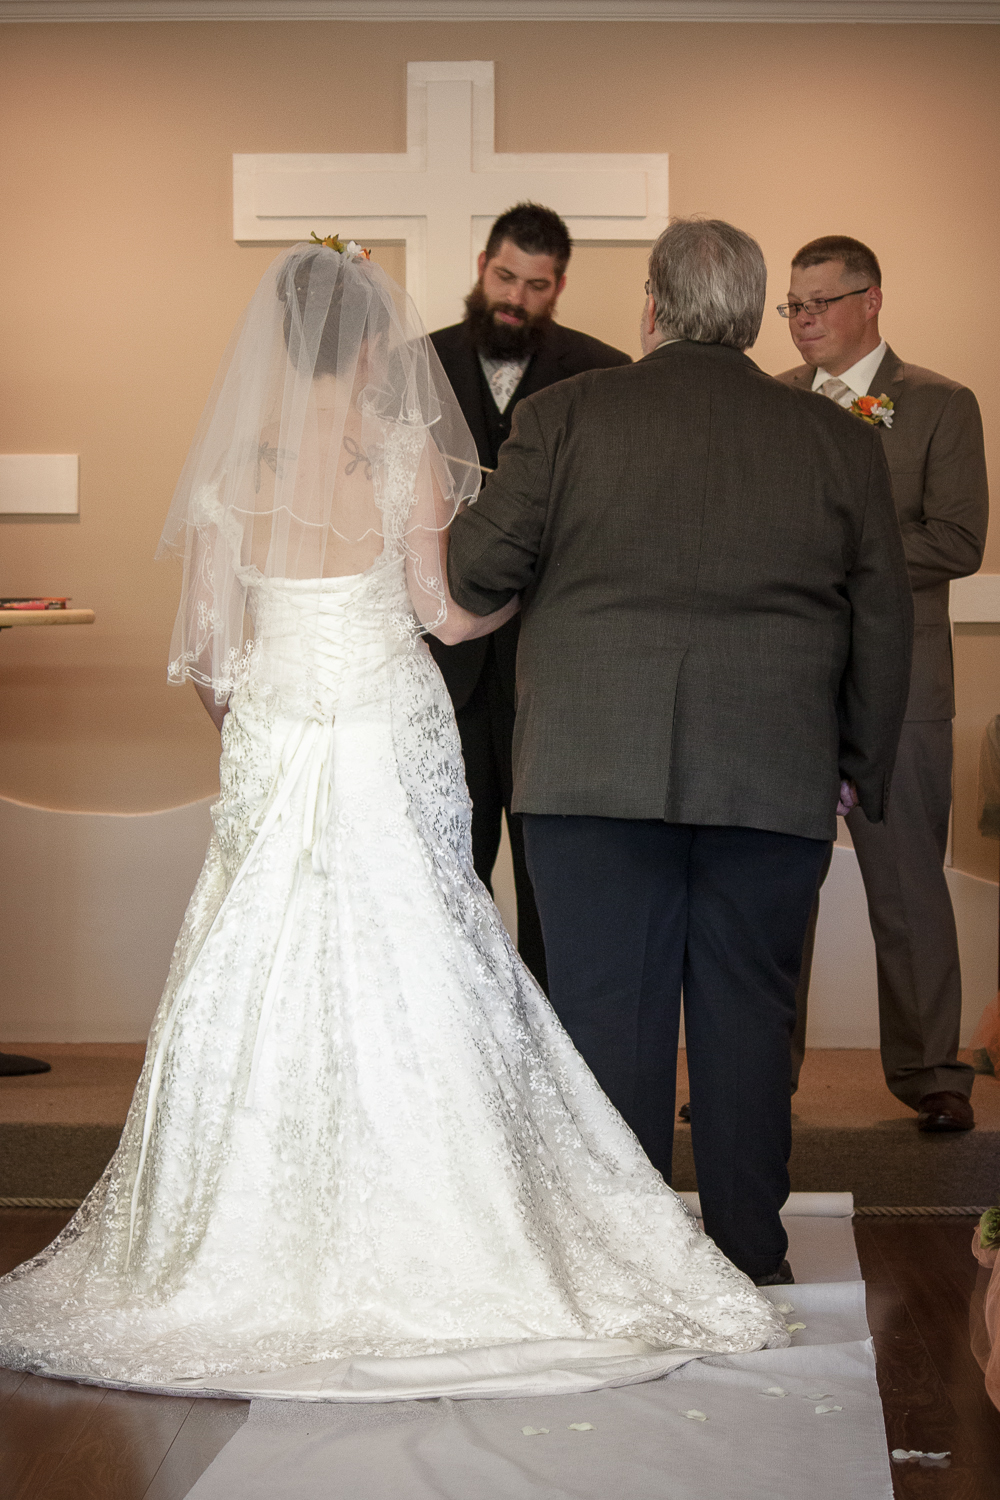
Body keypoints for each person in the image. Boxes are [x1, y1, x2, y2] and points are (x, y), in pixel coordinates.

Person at [0, 238, 786, 1401]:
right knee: (418, 945)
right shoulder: (400, 447)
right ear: (370, 341)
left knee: (258, 954)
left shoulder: (232, 465)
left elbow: (211, 656)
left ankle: (239, 1234)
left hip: (279, 723)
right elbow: (445, 613)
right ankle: (447, 1217)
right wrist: (534, 594)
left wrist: (265, 722)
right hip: (384, 717)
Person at [446, 218, 914, 1285]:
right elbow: (884, 623)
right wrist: (855, 764)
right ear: (752, 315)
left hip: (589, 769)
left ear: (652, 307)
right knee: (750, 1016)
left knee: (610, 1017)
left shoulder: (563, 416)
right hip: (775, 771)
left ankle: (632, 1265)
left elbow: (475, 572)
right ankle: (751, 1255)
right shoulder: (837, 439)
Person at [776, 235, 989, 1133]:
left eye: (820, 302)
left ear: (871, 300)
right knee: (773, 891)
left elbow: (959, 540)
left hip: (904, 687)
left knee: (908, 892)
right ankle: (755, 1074)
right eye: (792, 305)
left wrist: (843, 553)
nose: (803, 320)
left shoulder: (940, 403)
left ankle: (932, 1073)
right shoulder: (770, 402)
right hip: (786, 687)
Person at [428, 203, 631, 991]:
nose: (515, 298)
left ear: (561, 286)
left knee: (558, 882)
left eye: (536, 286)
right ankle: (464, 1035)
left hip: (558, 672)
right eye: (505, 277)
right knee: (451, 874)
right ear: (483, 265)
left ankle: (553, 1042)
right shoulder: (416, 363)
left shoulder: (605, 373)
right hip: (444, 672)